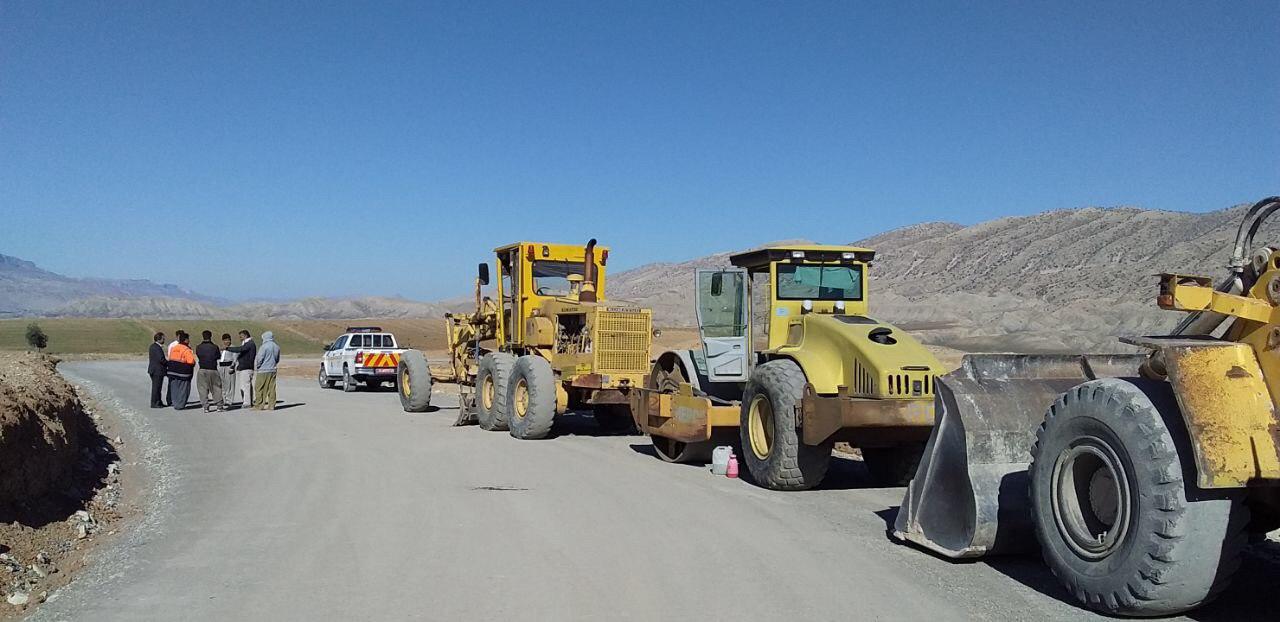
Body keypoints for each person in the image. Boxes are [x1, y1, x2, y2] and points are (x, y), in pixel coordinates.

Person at [224, 330, 257, 407]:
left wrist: (228, 348)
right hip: (245, 367)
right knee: (246, 385)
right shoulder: (247, 344)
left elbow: (240, 349)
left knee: (245, 386)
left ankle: (247, 403)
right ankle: (249, 401)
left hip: (246, 368)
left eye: (241, 336)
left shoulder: (250, 344)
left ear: (245, 335)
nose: (240, 338)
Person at [194, 330, 223, 412]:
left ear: (203, 336)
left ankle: (205, 406)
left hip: (202, 369)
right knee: (216, 387)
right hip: (213, 369)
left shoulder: (198, 347)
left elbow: (199, 356)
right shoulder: (215, 347)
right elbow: (218, 356)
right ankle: (219, 405)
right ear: (211, 336)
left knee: (202, 388)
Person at [166, 332, 196, 411]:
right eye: (188, 339)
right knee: (183, 389)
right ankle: (180, 404)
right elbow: (191, 361)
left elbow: (170, 358)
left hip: (172, 371)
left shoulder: (174, 348)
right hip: (183, 373)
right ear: (185, 340)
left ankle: (175, 403)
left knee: (174, 388)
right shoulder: (186, 349)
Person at [252, 331, 281, 410]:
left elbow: (259, 358)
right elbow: (277, 359)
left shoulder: (264, 347)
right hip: (273, 369)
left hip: (263, 370)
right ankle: (272, 405)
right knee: (271, 388)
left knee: (259, 387)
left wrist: (257, 366)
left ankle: (259, 405)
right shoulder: (276, 346)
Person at [148, 332, 168, 408]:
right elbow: (161, 359)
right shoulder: (156, 347)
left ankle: (159, 402)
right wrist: (169, 363)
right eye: (163, 338)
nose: (164, 339)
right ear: (159, 339)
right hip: (157, 370)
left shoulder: (154, 346)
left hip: (155, 370)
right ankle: (154, 403)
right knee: (156, 388)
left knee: (158, 387)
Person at [218, 333, 237, 410]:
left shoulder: (233, 348)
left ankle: (229, 401)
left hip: (229, 366)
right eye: (225, 340)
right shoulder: (221, 349)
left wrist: (232, 366)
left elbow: (235, 358)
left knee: (230, 384)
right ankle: (224, 399)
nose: (227, 342)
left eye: (228, 340)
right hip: (221, 367)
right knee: (222, 384)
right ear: (223, 341)